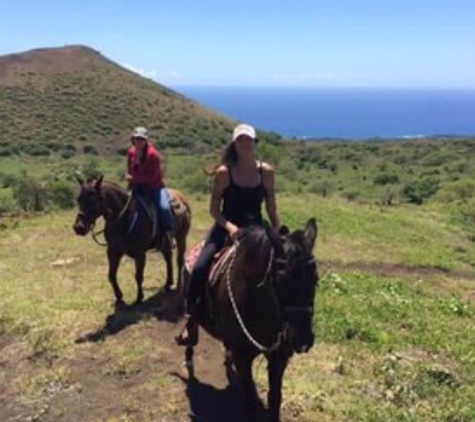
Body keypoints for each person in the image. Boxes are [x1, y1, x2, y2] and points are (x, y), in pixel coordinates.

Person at [176, 123, 281, 346]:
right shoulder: (224, 173)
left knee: (282, 269)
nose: (245, 143)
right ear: (235, 143)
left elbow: (272, 206)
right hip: (227, 229)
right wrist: (230, 227)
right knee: (201, 266)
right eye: (240, 139)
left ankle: (282, 321)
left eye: (248, 139)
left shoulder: (266, 172)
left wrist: (278, 233)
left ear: (255, 142)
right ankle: (191, 317)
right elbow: (214, 209)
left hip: (257, 230)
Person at [125, 126, 173, 247]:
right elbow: (130, 169)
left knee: (164, 207)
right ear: (133, 139)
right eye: (136, 139)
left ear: (146, 140)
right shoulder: (131, 152)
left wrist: (133, 178)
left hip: (154, 187)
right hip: (136, 187)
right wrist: (130, 179)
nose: (138, 142)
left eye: (141, 139)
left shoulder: (153, 155)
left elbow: (153, 177)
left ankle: (168, 235)